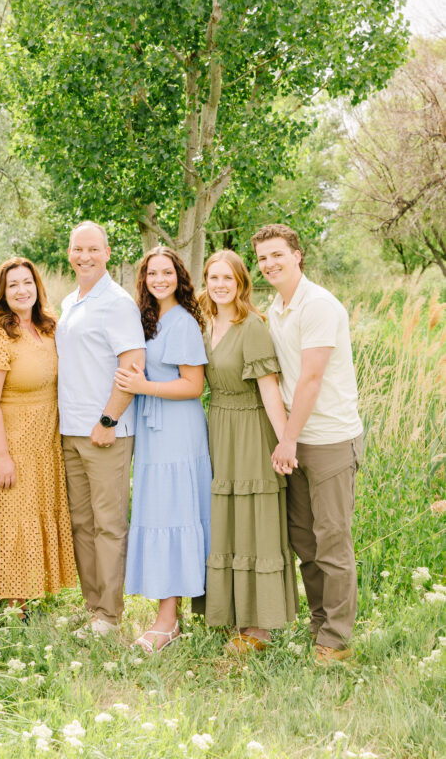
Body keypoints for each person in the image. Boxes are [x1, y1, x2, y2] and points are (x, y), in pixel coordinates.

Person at [252, 223, 364, 665]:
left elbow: (312, 379)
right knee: (305, 541)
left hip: (330, 439)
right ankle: (320, 627)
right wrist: (289, 439)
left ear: (297, 255)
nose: (269, 264)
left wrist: (288, 440)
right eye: (263, 258)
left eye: (277, 254)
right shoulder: (277, 308)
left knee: (332, 541)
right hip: (296, 440)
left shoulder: (318, 305)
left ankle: (337, 641)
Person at [200, 250, 298, 653]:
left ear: (241, 282)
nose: (220, 285)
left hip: (251, 431)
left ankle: (259, 627)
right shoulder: (205, 322)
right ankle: (230, 614)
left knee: (254, 522)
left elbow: (270, 391)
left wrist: (285, 442)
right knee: (226, 520)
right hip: (218, 426)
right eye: (213, 277)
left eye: (228, 278)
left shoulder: (252, 326)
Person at [114, 246, 211, 653]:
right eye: (152, 273)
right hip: (153, 430)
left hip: (177, 430)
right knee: (159, 512)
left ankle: (167, 621)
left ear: (179, 276)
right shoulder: (147, 319)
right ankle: (171, 614)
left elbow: (194, 385)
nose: (159, 279)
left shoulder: (183, 322)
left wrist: (144, 386)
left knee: (173, 513)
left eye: (166, 272)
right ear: (143, 279)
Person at [0, 257, 77, 614]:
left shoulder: (49, 327)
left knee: (38, 513)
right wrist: (2, 456)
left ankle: (31, 594)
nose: (21, 290)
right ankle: (11, 606)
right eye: (13, 285)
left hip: (46, 441)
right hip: (12, 443)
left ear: (37, 287)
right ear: (2, 293)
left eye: (27, 282)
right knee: (12, 517)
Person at [55, 221, 146, 636]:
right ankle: (94, 608)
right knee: (82, 523)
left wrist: (109, 420)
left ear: (107, 253)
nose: (85, 256)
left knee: (108, 524)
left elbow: (133, 366)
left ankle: (109, 614)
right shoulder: (70, 301)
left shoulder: (117, 303)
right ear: (69, 253)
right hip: (71, 430)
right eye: (78, 249)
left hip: (105, 431)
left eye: (93, 249)